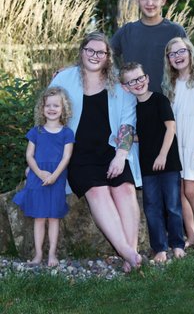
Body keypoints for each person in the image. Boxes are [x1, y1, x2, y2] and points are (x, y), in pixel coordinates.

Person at [50, 31, 142, 272]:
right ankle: (128, 253)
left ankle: (129, 254)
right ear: (81, 52)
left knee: (125, 188)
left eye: (100, 52)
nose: (94, 55)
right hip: (79, 155)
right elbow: (47, 115)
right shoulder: (63, 79)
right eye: (89, 50)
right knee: (98, 191)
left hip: (111, 152)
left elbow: (127, 123)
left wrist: (121, 156)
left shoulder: (119, 86)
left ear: (108, 56)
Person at [120, 62, 185, 263]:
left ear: (147, 78)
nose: (137, 83)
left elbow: (170, 128)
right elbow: (143, 135)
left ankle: (177, 244)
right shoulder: (132, 108)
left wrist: (163, 155)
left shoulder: (159, 100)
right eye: (131, 81)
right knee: (152, 206)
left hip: (168, 161)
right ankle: (159, 248)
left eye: (140, 78)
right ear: (125, 87)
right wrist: (124, 140)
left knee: (173, 205)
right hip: (147, 165)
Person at [162, 37, 194, 251]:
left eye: (181, 51)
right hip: (178, 142)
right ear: (168, 60)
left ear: (190, 52)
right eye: (172, 54)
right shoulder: (172, 84)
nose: (178, 56)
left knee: (191, 190)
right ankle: (191, 236)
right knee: (181, 191)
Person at [13, 87, 75, 266]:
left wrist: (54, 176)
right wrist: (39, 173)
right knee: (39, 217)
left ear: (63, 109)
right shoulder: (36, 131)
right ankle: (38, 254)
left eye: (56, 105)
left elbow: (66, 157)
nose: (52, 108)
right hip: (37, 177)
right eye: (48, 105)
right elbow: (29, 155)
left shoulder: (66, 133)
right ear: (42, 108)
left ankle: (52, 255)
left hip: (57, 178)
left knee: (54, 217)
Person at [111, 0, 187, 93]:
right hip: (132, 102)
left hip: (167, 101)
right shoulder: (126, 31)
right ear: (137, 0)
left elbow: (191, 66)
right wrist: (117, 75)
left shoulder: (176, 31)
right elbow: (105, 56)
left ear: (163, 0)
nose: (150, 3)